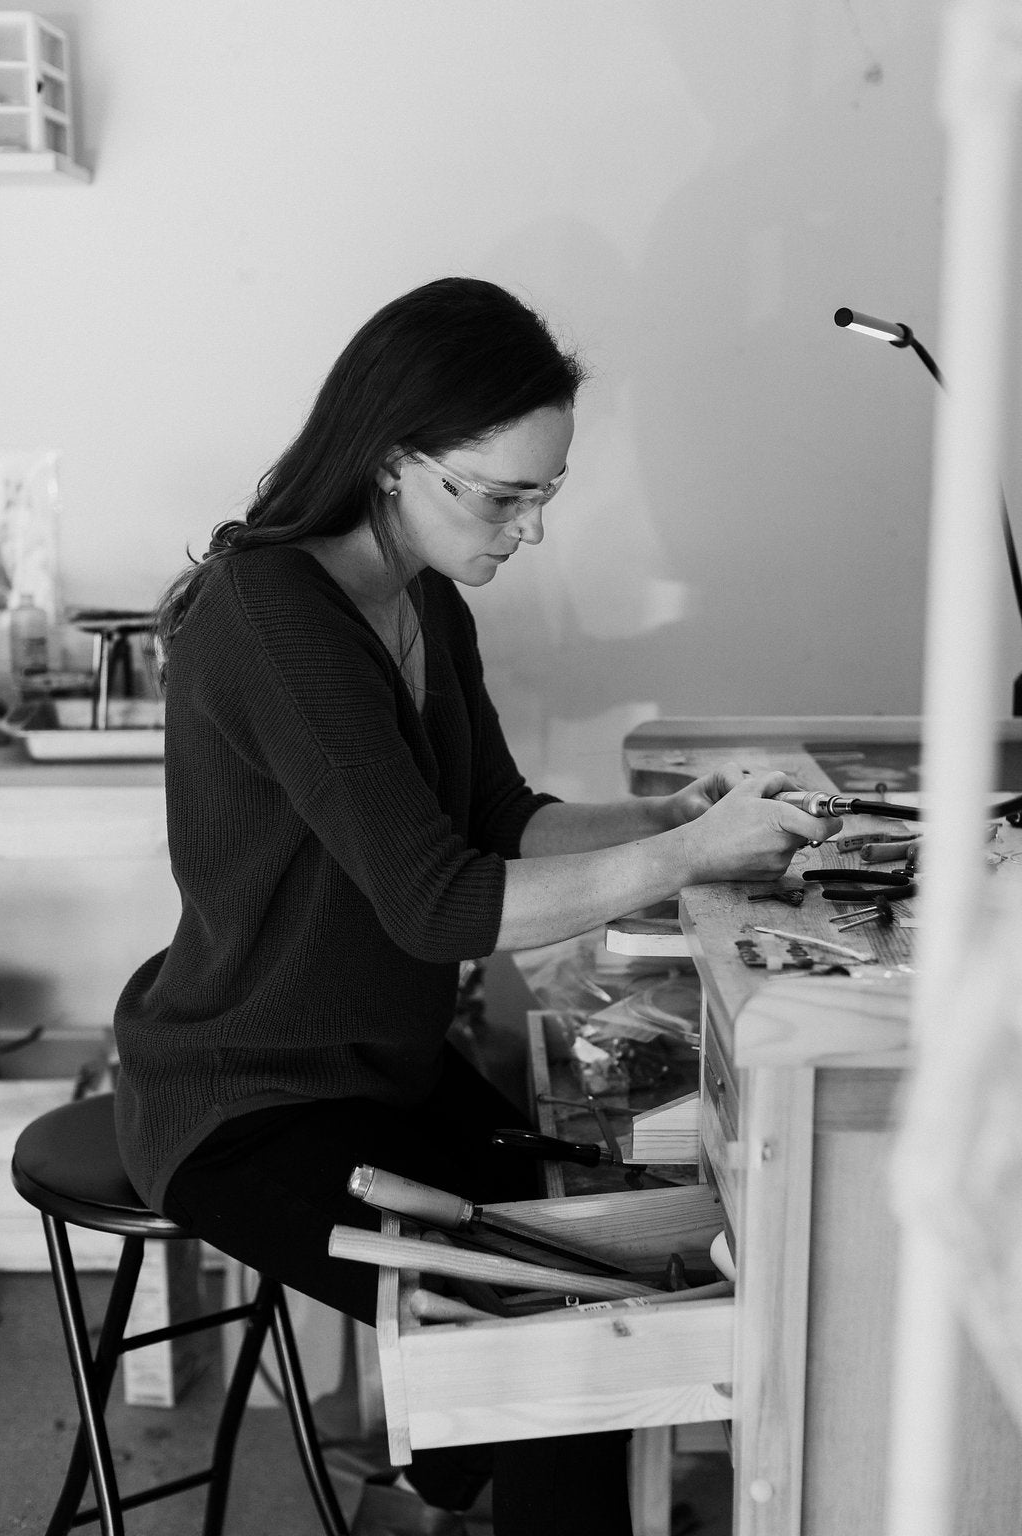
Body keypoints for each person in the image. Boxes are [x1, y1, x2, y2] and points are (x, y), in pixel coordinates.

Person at [113, 276, 838, 1536]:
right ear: (394, 464)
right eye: (500, 495)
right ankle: (459, 1465)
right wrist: (691, 856)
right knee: (565, 1349)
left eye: (543, 493)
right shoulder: (273, 618)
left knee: (589, 1279)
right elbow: (438, 905)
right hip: (241, 1102)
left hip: (376, 1073)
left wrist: (671, 820)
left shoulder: (422, 600)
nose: (528, 530)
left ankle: (442, 1470)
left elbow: (497, 815)